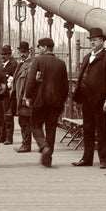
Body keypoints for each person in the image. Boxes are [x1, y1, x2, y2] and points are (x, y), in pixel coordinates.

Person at [71, 26, 106, 169]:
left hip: (100, 100)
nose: (92, 42)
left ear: (103, 41)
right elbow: (81, 76)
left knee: (101, 130)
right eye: (91, 40)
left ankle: (103, 159)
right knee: (88, 129)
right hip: (86, 99)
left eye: (95, 40)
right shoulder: (87, 57)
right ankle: (87, 158)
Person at [23, 36, 69, 167]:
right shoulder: (61, 63)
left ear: (44, 47)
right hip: (55, 103)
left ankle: (43, 146)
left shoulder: (38, 61)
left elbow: (31, 81)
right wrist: (62, 101)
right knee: (51, 129)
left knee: (35, 125)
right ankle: (48, 158)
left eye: (39, 47)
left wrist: (28, 97)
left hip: (40, 101)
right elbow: (65, 86)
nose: (38, 50)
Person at [10, 40, 35, 152]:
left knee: (25, 122)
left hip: (25, 99)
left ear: (29, 52)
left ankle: (26, 145)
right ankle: (27, 144)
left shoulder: (31, 64)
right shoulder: (21, 64)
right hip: (18, 98)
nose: (22, 54)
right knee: (23, 121)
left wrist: (26, 97)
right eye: (21, 51)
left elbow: (30, 83)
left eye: (24, 52)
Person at [0, 44, 18, 143]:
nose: (2, 56)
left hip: (9, 94)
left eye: (4, 54)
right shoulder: (1, 65)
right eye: (2, 54)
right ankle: (2, 136)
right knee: (1, 115)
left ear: (9, 55)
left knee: (8, 116)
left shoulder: (14, 64)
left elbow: (13, 79)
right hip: (1, 94)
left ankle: (9, 138)